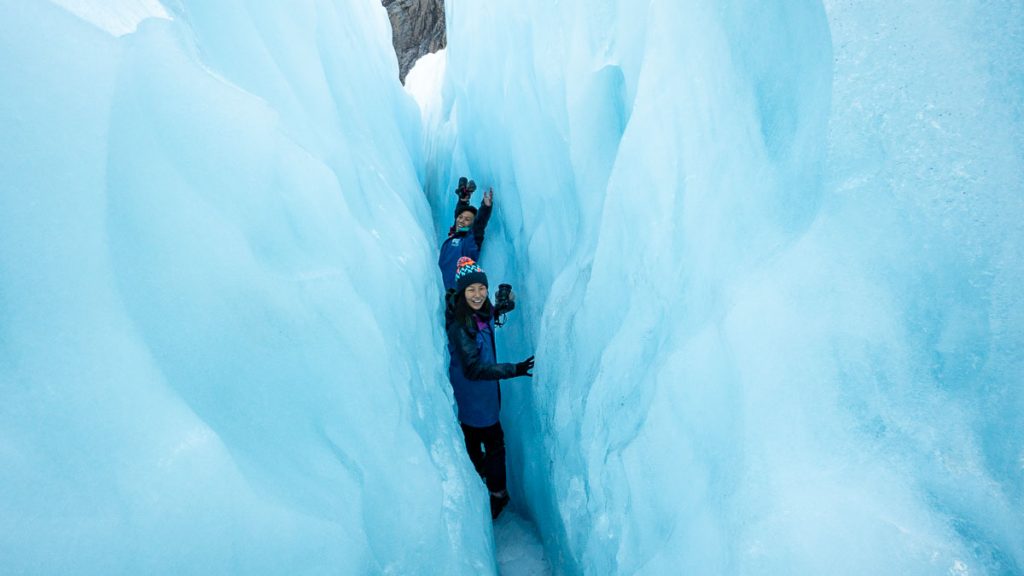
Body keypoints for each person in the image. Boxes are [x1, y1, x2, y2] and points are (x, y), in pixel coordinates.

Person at [446, 256, 534, 519]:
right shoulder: (461, 326)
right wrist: (514, 369)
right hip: (473, 401)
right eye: (471, 290)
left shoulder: (480, 313)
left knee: (483, 444)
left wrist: (503, 305)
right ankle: (495, 494)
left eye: (481, 289)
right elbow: (473, 368)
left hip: (486, 400)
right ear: (462, 292)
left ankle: (486, 482)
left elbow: (489, 314)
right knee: (488, 446)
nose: (478, 294)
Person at [438, 177, 493, 291]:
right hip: (445, 291)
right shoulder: (455, 236)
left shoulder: (470, 241)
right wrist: (463, 200)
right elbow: (458, 223)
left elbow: (479, 225)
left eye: (467, 219)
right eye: (460, 217)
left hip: (459, 294)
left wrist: (486, 207)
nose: (462, 220)